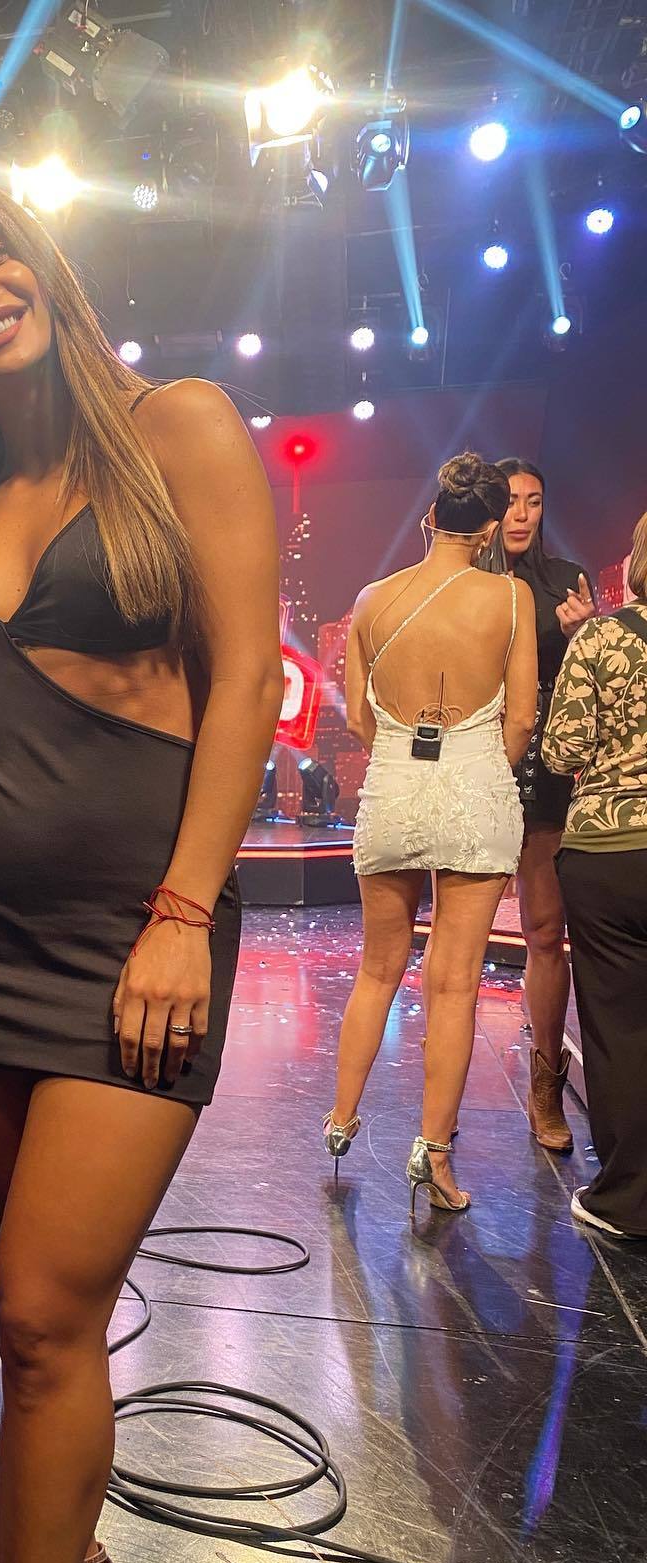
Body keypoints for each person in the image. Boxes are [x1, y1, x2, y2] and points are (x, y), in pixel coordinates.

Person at [0, 175, 281, 1563]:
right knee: (48, 1333)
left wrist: (184, 907)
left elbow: (244, 679)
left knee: (45, 1311)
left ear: (42, 266)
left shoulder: (174, 427)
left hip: (141, 940)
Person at [326, 453, 537, 1212]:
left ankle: (340, 1122)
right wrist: (474, 765)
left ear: (431, 518)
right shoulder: (510, 597)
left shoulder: (371, 599)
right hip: (475, 787)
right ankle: (434, 1159)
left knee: (377, 968)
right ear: (490, 529)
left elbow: (358, 717)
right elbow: (520, 719)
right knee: (454, 984)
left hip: (394, 788)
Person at [542, 508, 647, 1238]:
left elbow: (561, 750)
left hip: (610, 855)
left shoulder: (603, 638)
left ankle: (627, 1199)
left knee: (619, 1028)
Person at [491, 459, 596, 1151]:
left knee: (544, 930)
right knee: (458, 939)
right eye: (510, 501)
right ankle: (438, 1109)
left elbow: (593, 682)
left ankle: (545, 1085)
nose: (522, 514)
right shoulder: (470, 584)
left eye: (534, 501)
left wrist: (583, 634)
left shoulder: (566, 581)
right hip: (478, 762)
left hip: (548, 773)